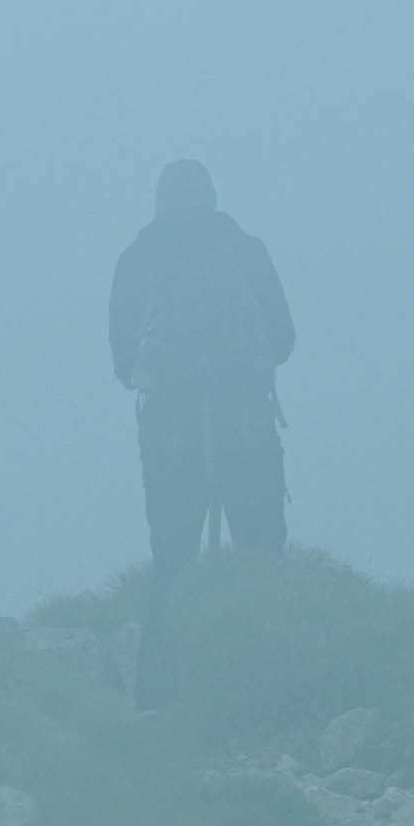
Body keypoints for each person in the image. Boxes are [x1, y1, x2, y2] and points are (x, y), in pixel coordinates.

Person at [108, 159, 295, 705]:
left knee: (172, 562)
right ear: (212, 196)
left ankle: (158, 700)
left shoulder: (137, 259)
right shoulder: (246, 250)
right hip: (247, 429)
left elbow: (123, 367)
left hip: (170, 439)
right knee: (260, 557)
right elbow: (284, 339)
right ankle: (271, 691)